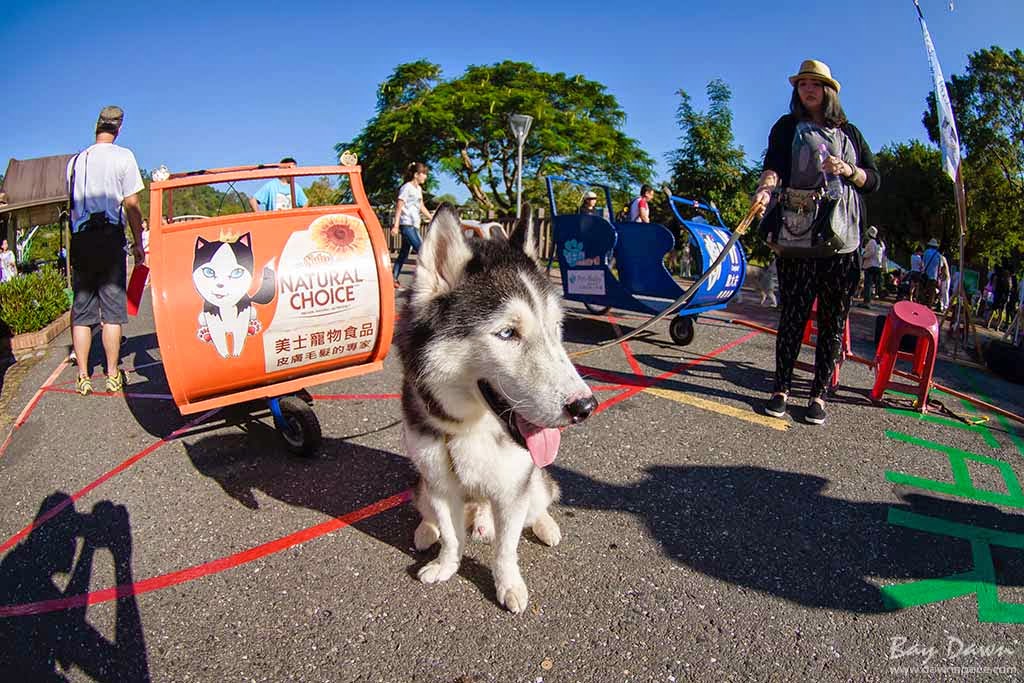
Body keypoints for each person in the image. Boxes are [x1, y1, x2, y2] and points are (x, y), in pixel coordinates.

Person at [751, 59, 880, 425]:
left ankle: (819, 394)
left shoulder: (850, 132)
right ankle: (781, 388)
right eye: (802, 83)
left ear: (829, 91)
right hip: (797, 233)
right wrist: (764, 192)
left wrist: (847, 170)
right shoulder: (786, 126)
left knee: (832, 319)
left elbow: (874, 180)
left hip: (842, 239)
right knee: (792, 313)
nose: (808, 89)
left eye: (815, 83)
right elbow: (774, 165)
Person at [65, 105, 146, 396]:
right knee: (112, 311)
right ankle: (113, 374)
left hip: (82, 239)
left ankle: (83, 377)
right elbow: (132, 205)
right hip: (110, 237)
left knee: (83, 308)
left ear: (96, 127)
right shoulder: (124, 157)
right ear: (119, 129)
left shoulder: (74, 162)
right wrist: (138, 242)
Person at [390, 162, 433, 289]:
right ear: (416, 175)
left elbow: (421, 206)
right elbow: (399, 205)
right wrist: (396, 225)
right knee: (421, 250)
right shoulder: (406, 187)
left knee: (404, 253)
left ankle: (393, 277)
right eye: (423, 174)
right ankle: (423, 280)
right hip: (406, 223)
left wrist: (432, 218)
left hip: (415, 224)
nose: (425, 177)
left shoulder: (418, 189)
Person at [860, 226, 884, 307]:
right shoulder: (880, 244)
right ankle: (868, 300)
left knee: (868, 284)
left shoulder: (871, 242)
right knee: (871, 284)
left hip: (870, 265)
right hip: (876, 265)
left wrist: (863, 255)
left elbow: (871, 252)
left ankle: (867, 302)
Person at [917, 238, 942, 307]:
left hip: (925, 275)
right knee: (931, 292)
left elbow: (923, 264)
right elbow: (939, 267)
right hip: (933, 276)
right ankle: (929, 306)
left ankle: (921, 303)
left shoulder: (926, 252)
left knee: (922, 290)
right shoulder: (938, 255)